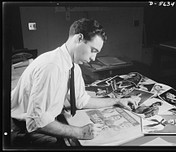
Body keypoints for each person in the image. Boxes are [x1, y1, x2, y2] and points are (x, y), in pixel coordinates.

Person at [11, 18, 137, 148]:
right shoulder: (52, 66)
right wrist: (81, 132)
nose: (93, 58)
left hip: (41, 121)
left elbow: (81, 101)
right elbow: (35, 123)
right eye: (93, 50)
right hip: (20, 129)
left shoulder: (74, 66)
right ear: (79, 39)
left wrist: (116, 101)